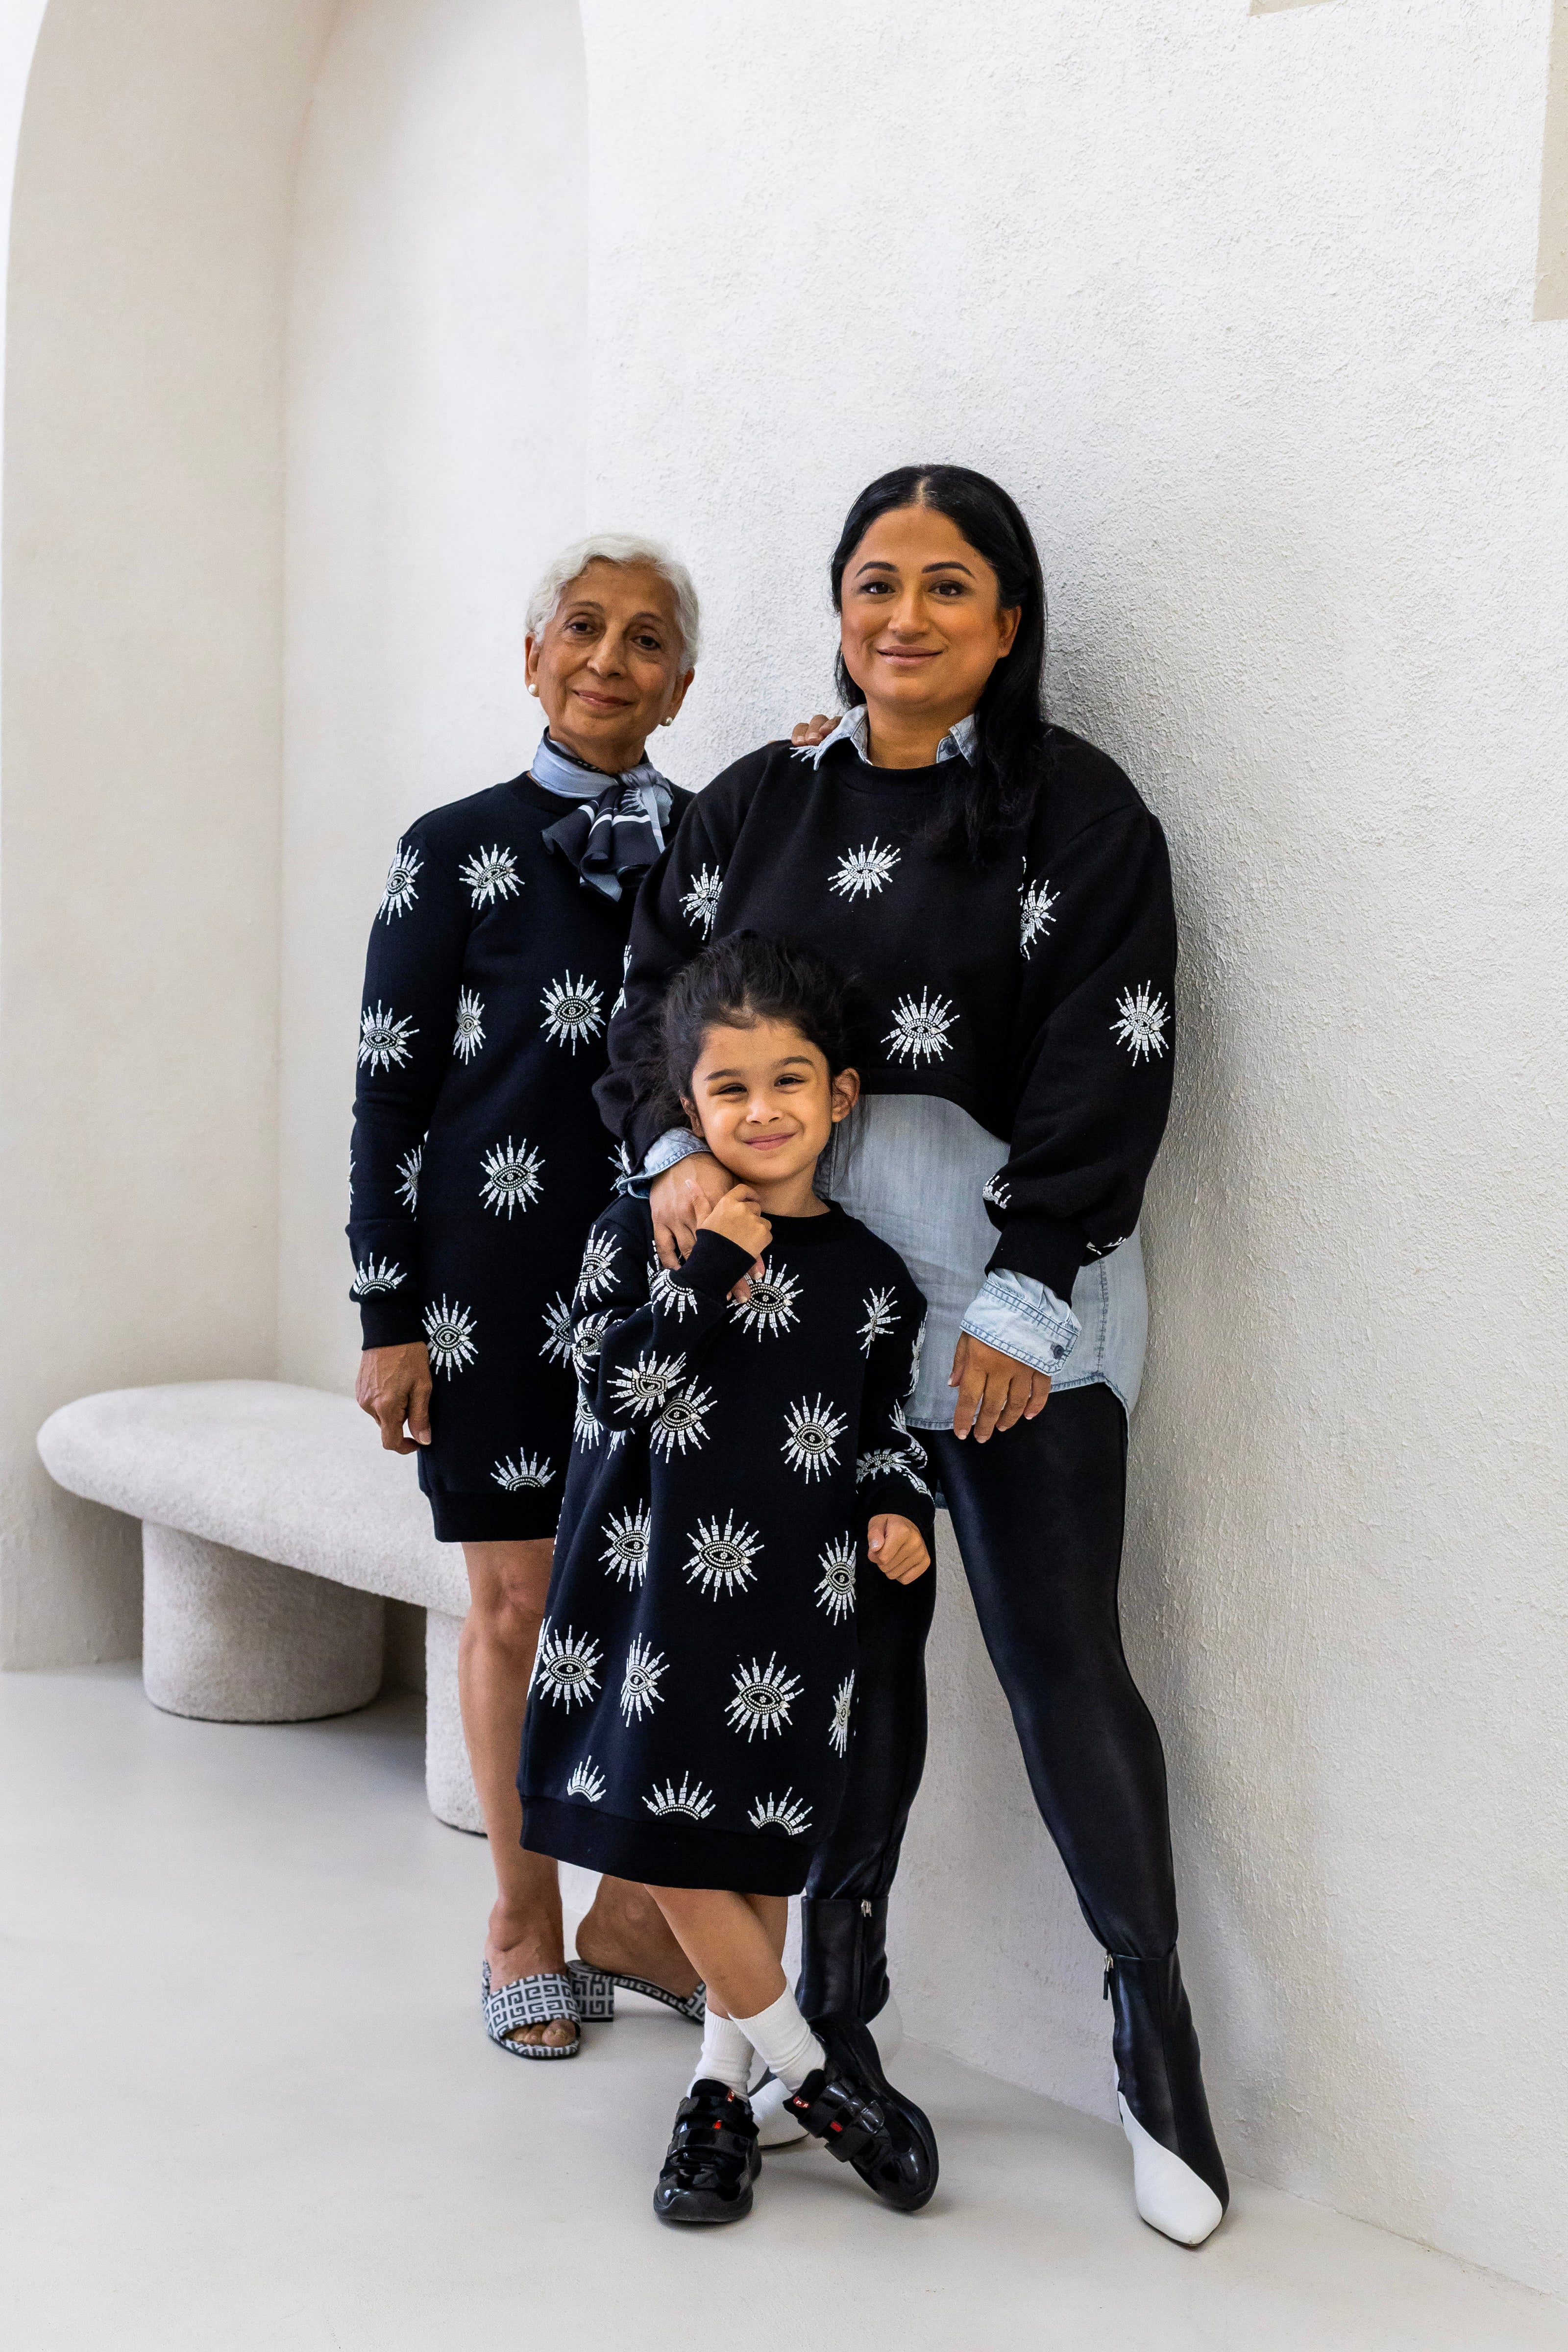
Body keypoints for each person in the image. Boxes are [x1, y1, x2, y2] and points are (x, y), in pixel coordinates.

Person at [596, 466, 1229, 2245]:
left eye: (948, 586)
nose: (905, 617)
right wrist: (680, 1165)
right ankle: (824, 2042)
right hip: (806, 1313)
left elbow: (1116, 1055)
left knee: (1059, 1667)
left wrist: (1024, 1300)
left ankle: (1152, 2044)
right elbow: (660, 1011)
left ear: (1008, 621)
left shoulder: (1079, 814)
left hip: (1017, 1287)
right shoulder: (757, 804)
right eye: (875, 582)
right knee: (831, 1673)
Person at [349, 534, 716, 2056]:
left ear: (681, 684)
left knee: (653, 1608)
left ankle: (634, 1912)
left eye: (645, 641)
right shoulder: (453, 846)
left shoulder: (722, 843)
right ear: (532, 656)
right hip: (489, 1283)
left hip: (669, 1287)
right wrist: (388, 1314)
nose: (609, 662)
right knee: (511, 1606)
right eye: (583, 629)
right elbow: (389, 1090)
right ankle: (522, 1917)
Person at [519, 933, 939, 2225]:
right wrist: (708, 1268)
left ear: (842, 1095)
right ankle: (815, 2077)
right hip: (640, 1607)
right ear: (688, 1108)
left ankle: (719, 2102)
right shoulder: (635, 1233)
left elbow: (881, 1425)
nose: (763, 1113)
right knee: (665, 1839)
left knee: (749, 1846)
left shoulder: (874, 1279)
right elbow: (616, 1384)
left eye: (790, 1082)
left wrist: (891, 1500)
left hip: (788, 1618)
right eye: (730, 1090)